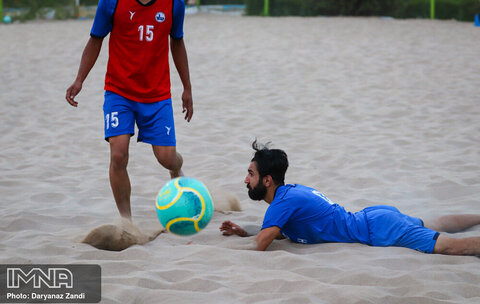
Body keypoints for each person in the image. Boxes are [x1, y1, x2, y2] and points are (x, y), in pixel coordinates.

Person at [220, 140, 480, 255]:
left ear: (267, 180)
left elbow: (260, 245)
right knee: (434, 223)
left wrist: (217, 250)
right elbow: (273, 233)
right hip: (374, 218)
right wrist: (244, 231)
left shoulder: (282, 204)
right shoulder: (288, 198)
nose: (245, 180)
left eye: (250, 174)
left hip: (377, 229)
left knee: (448, 246)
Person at [66, 0, 193, 220]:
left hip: (157, 95)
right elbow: (96, 40)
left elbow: (178, 43)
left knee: (167, 158)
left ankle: (176, 168)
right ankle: (127, 222)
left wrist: (187, 88)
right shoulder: (111, 3)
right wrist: (79, 80)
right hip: (119, 93)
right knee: (118, 154)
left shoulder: (174, 4)